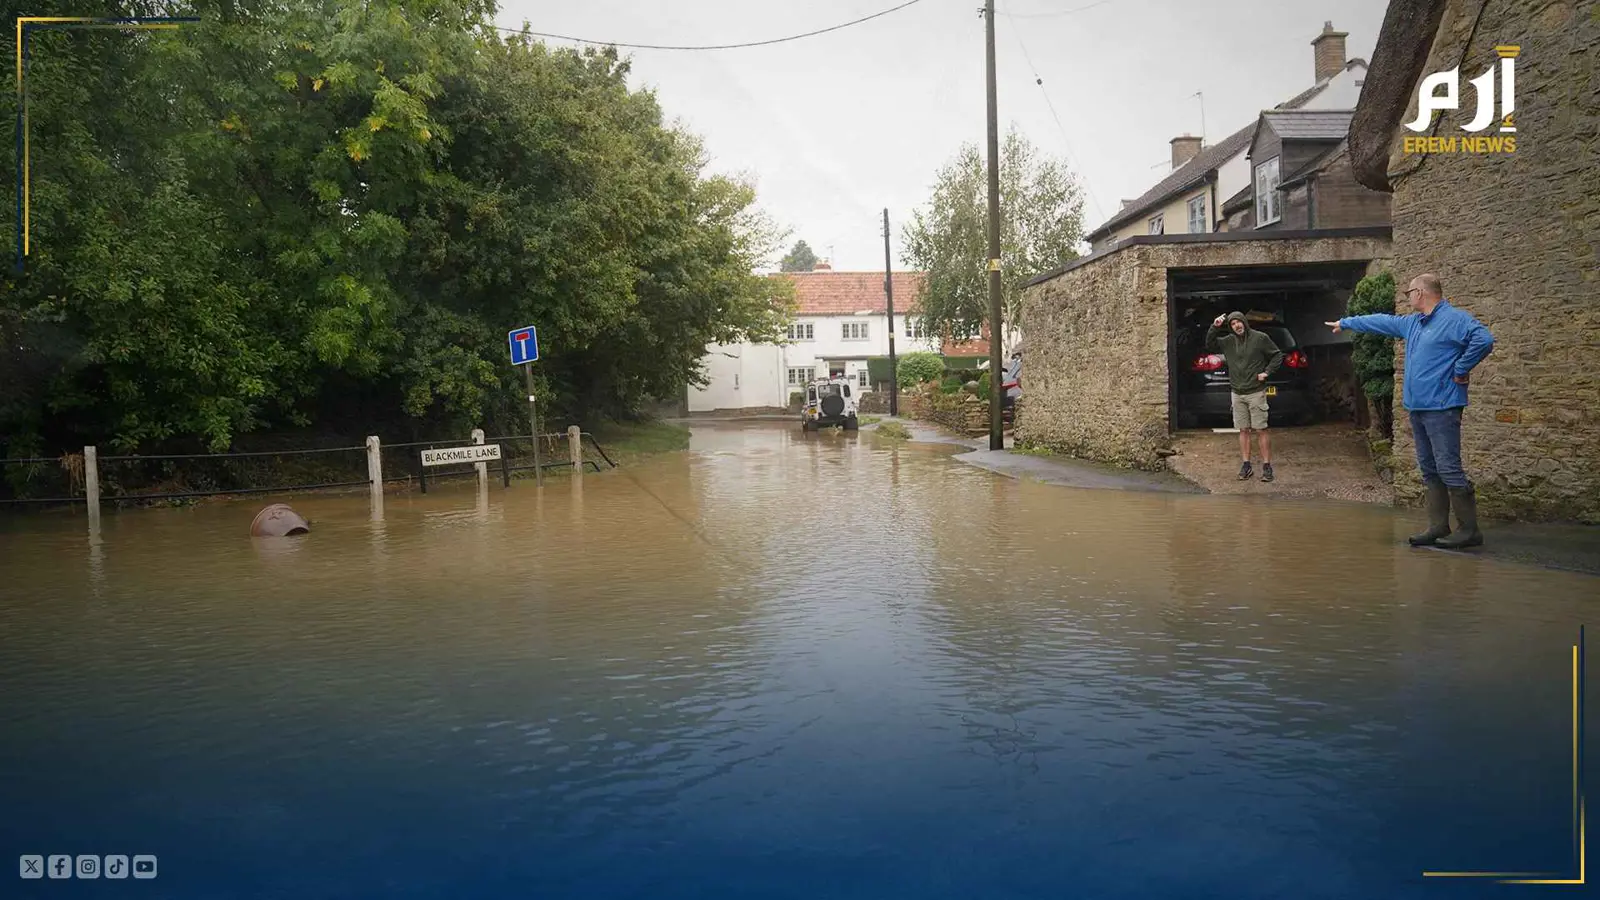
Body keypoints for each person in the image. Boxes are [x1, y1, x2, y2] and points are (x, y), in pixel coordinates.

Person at [1328, 273, 1494, 548]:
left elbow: (1484, 340)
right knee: (1429, 469)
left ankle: (1469, 530)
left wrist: (1462, 369)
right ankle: (1439, 526)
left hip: (1443, 407)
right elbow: (1383, 321)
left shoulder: (1454, 319)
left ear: (1422, 293)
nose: (1407, 297)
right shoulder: (1413, 323)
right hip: (1418, 408)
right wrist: (1347, 322)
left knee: (1448, 467)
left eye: (1409, 292)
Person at [1206, 311, 1283, 482]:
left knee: (1261, 429)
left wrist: (1266, 372)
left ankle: (1267, 466)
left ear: (1244, 323)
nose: (1236, 326)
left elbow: (1277, 355)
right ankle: (1246, 465)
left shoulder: (1260, 338)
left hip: (1256, 391)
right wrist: (1215, 327)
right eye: (1232, 324)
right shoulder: (1228, 342)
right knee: (1243, 430)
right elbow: (1210, 345)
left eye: (1238, 322)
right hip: (1237, 393)